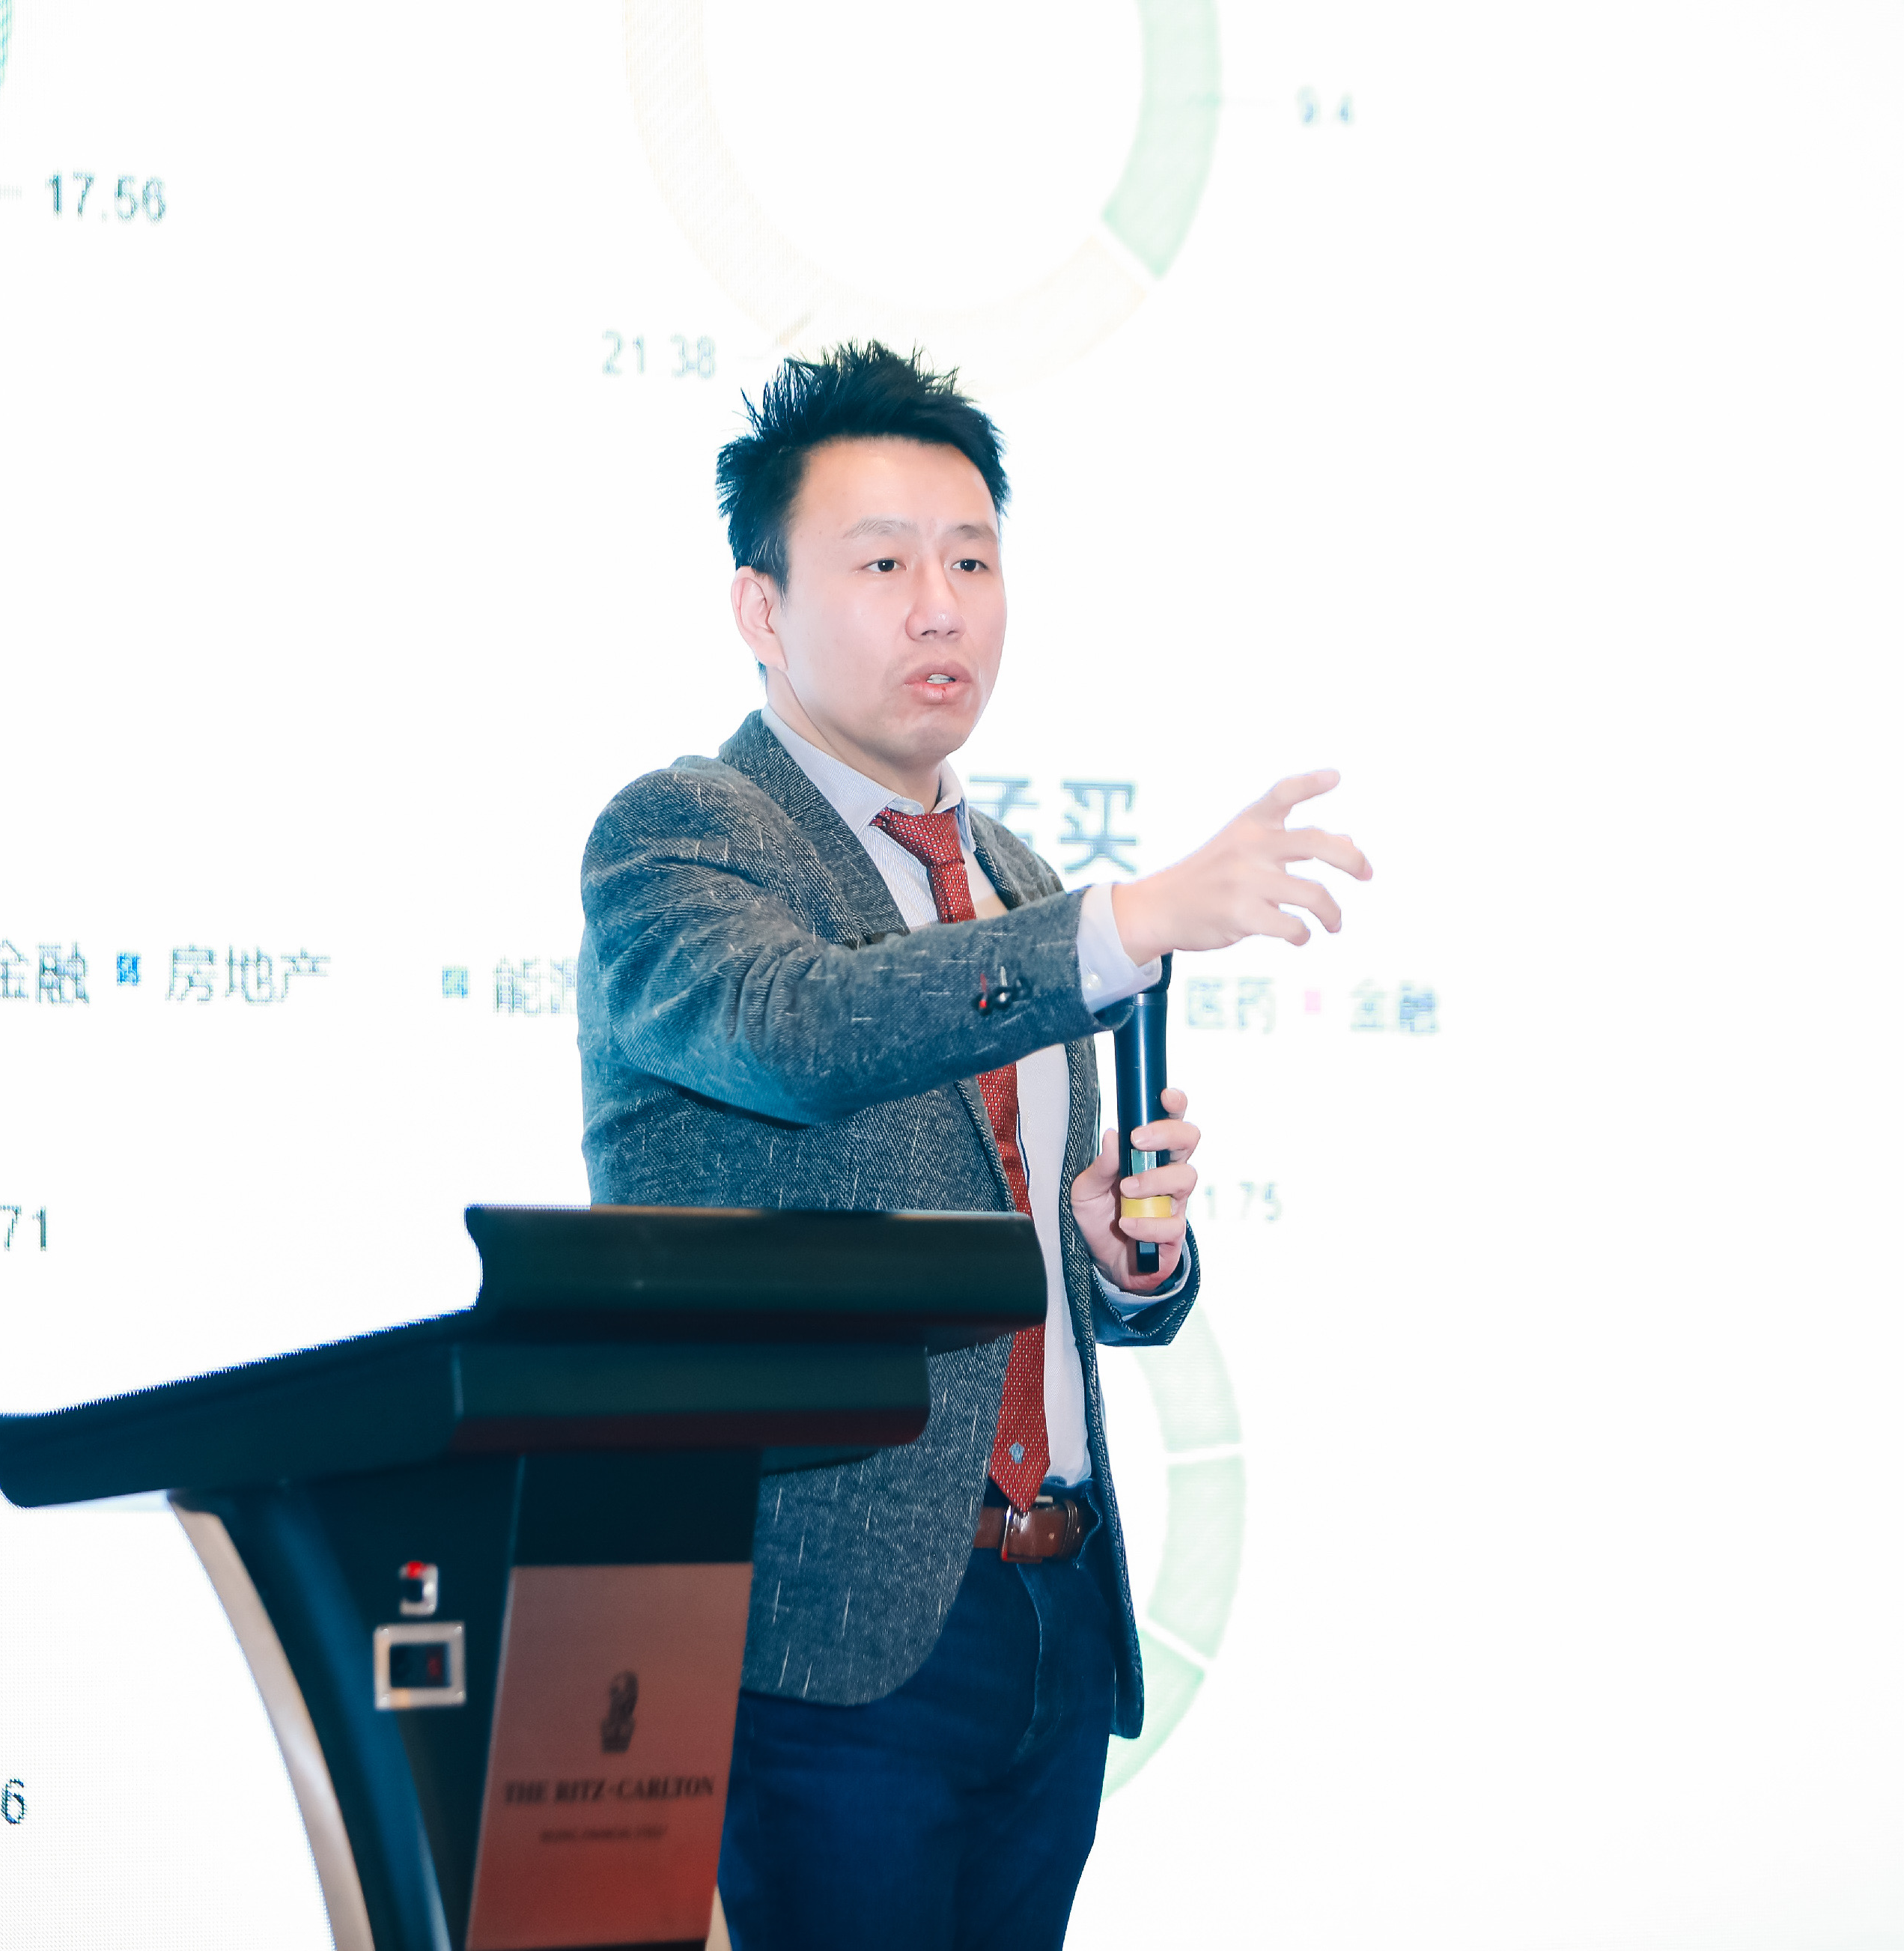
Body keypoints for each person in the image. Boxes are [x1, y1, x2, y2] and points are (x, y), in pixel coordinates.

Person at [577, 343, 1367, 1951]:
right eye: (881, 565)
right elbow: (797, 1032)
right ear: (758, 608)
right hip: (814, 1642)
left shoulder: (1009, 873)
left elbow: (1066, 1276)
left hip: (1046, 1613)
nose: (939, 607)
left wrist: (1120, 1254)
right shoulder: (683, 834)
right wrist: (1129, 919)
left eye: (971, 561)